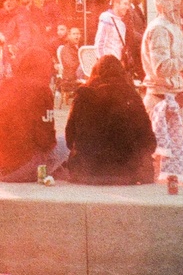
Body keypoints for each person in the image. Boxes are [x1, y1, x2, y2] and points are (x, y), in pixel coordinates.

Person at [64, 54, 155, 184]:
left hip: (86, 172)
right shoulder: (131, 96)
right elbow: (148, 140)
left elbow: (69, 138)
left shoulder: (83, 95)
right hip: (126, 173)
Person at [141, 0, 183, 188]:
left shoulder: (173, 27)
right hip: (161, 101)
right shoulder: (159, 30)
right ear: (171, 3)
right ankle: (165, 196)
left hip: (177, 97)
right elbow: (162, 68)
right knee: (162, 155)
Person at [0, 47, 59, 182]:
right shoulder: (41, 89)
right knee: (66, 146)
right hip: (20, 167)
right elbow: (46, 139)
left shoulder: (4, 85)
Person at [93, 0, 131, 66]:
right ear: (116, 4)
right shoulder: (106, 18)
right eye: (125, 4)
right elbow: (99, 44)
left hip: (117, 64)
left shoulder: (122, 23)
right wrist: (105, 64)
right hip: (108, 66)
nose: (127, 7)